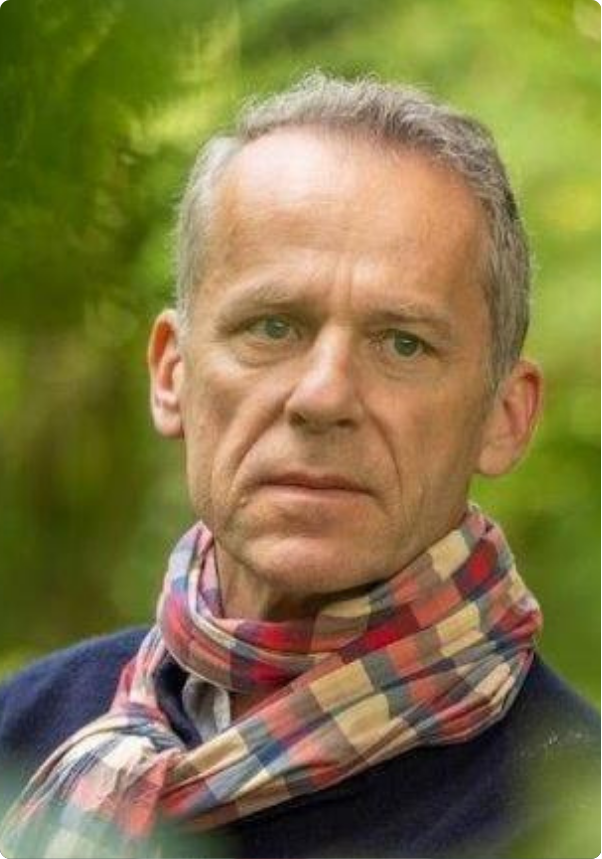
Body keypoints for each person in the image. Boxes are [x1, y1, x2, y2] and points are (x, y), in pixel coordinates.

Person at [0, 73, 598, 859]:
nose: (323, 396)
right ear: (172, 373)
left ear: (504, 415)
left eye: (403, 343)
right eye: (273, 326)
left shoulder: (569, 815)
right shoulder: (24, 730)